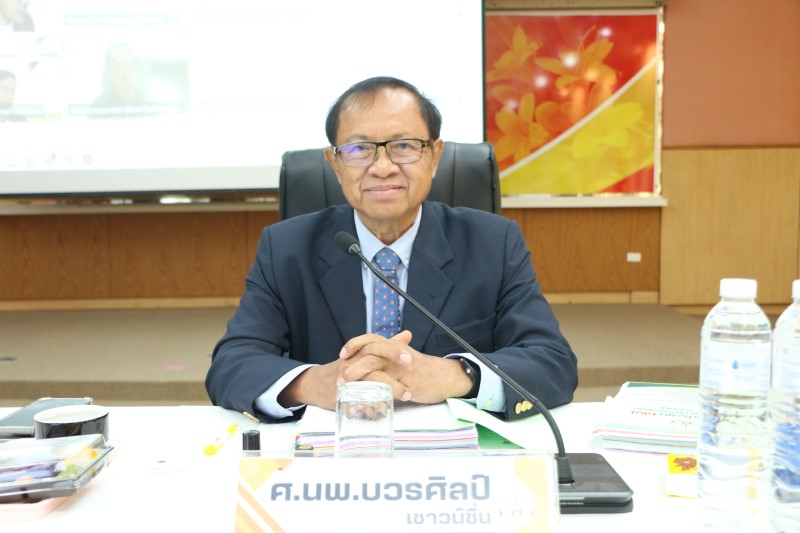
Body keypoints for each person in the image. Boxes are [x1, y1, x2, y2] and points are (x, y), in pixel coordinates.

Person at [206, 76, 578, 423]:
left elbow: (552, 362)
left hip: (453, 451)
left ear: (434, 156)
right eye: (359, 149)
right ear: (335, 164)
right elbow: (231, 365)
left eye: (403, 146)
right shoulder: (286, 247)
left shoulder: (493, 243)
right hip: (332, 449)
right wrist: (316, 383)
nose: (383, 168)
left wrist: (452, 375)